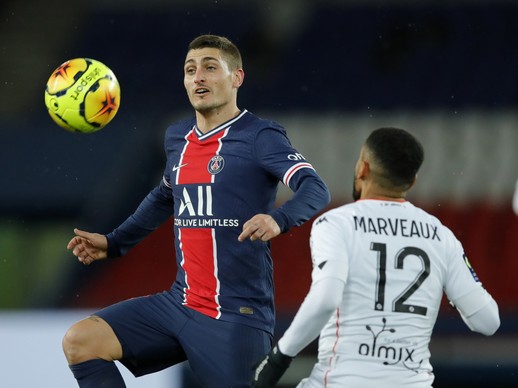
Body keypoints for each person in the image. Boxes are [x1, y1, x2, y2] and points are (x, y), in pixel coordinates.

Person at [62, 34, 330, 388]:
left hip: (236, 315)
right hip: (178, 304)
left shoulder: (260, 136)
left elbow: (315, 187)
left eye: (209, 67)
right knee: (81, 342)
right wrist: (113, 243)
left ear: (237, 78)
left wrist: (278, 219)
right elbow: (163, 197)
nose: (198, 77)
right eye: (190, 70)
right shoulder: (178, 138)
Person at [252, 127, 500, 388]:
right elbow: (488, 321)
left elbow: (326, 299)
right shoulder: (440, 236)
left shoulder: (337, 223)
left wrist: (277, 360)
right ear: (412, 181)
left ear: (363, 168)